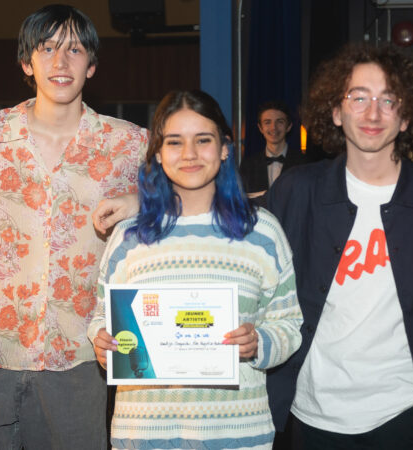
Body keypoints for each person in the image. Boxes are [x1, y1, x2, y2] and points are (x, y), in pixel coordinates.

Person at [0, 5, 147, 448]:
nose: (61, 62)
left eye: (75, 49)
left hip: (79, 357)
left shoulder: (129, 143)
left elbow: (185, 209)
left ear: (92, 65)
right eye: (47, 48)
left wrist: (141, 200)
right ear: (28, 62)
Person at [267, 44, 413, 449]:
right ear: (335, 111)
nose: (373, 113)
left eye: (388, 100)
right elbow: (232, 236)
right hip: (311, 413)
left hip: (404, 410)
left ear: (406, 115)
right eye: (358, 97)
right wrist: (148, 203)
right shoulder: (297, 191)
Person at [90, 90, 303, 449]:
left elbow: (289, 322)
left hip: (236, 435)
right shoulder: (129, 237)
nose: (189, 154)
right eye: (175, 142)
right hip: (144, 435)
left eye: (203, 140)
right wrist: (103, 340)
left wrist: (259, 342)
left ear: (224, 148)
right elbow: (101, 314)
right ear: (158, 153)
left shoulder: (262, 232)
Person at [239, 101, 306, 203]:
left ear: (289, 127)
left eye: (280, 122)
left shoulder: (304, 163)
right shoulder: (248, 166)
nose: (273, 127)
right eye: (267, 122)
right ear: (260, 128)